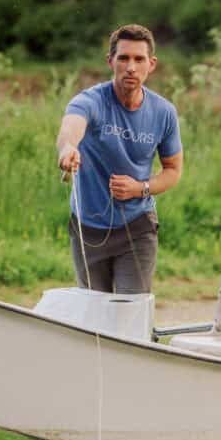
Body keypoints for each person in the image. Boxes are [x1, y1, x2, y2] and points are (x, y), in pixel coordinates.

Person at [55, 24, 183, 294]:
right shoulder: (90, 101)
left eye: (139, 59)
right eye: (123, 58)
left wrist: (140, 188)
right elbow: (71, 127)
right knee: (93, 310)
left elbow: (172, 171)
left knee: (130, 309)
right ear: (110, 61)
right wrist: (67, 149)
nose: (131, 67)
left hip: (137, 226)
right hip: (88, 227)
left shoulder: (164, 112)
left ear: (151, 64)